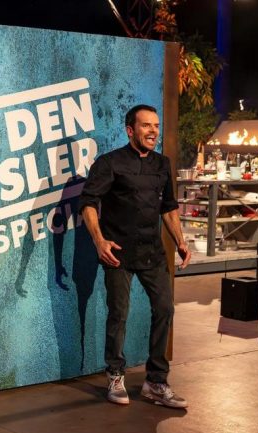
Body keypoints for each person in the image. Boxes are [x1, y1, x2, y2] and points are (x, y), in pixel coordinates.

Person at [79, 104, 191, 409]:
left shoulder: (162, 164)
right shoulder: (109, 163)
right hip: (118, 252)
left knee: (165, 309)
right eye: (146, 126)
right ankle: (115, 374)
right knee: (119, 314)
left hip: (152, 251)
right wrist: (99, 241)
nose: (153, 131)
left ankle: (156, 381)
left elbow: (168, 207)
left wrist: (180, 241)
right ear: (130, 130)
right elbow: (88, 203)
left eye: (156, 125)